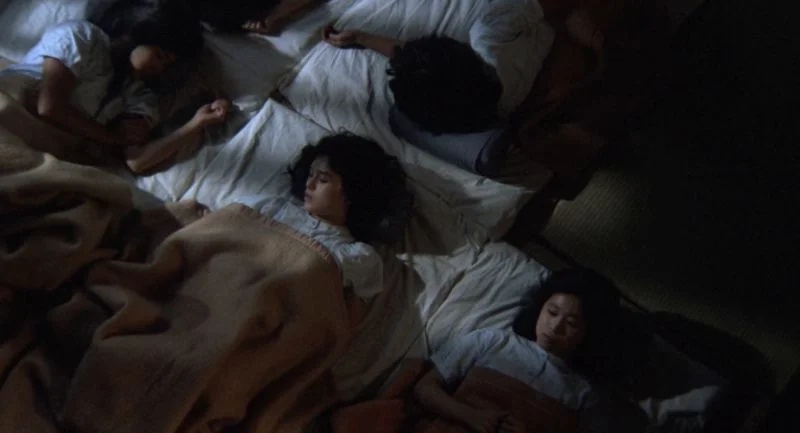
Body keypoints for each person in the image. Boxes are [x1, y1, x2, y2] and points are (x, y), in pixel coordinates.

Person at [0, 9, 228, 172]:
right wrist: (110, 137)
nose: (158, 68)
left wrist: (196, 123)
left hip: (41, 149)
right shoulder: (82, 36)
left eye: (167, 66)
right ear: (141, 36)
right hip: (12, 109)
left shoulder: (137, 94)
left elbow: (137, 161)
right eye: (159, 55)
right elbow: (48, 107)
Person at [231, 133, 412, 326]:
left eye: (323, 179)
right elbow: (225, 225)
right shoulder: (275, 207)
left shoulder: (357, 256)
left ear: (353, 192)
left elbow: (343, 325)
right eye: (310, 175)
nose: (309, 184)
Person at [413, 268, 621, 433]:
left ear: (588, 333)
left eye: (571, 323)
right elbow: (425, 387)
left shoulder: (584, 394)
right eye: (552, 312)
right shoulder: (492, 341)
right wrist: (470, 415)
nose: (555, 326)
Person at [322, 28, 502, 135]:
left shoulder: (489, 36)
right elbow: (412, 57)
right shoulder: (471, 92)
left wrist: (361, 38)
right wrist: (359, 38)